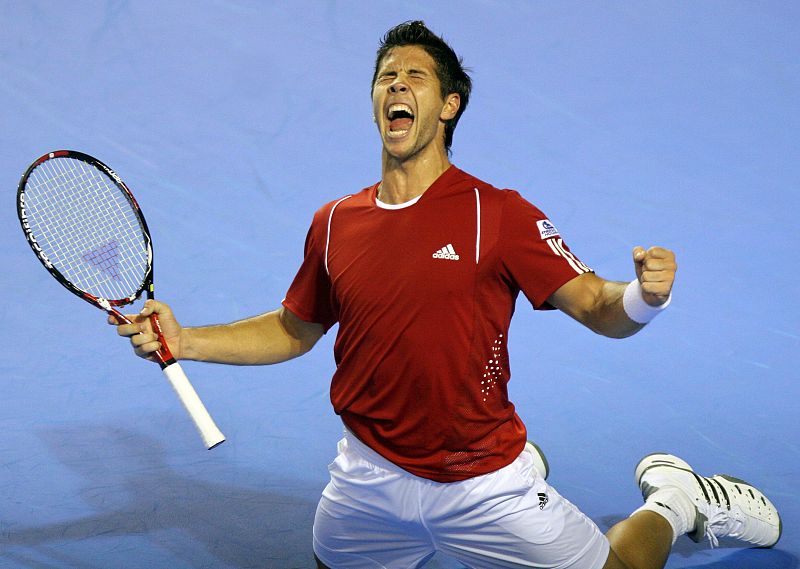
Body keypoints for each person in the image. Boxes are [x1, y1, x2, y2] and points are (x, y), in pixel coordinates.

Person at [113, 20, 781, 569]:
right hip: (368, 481)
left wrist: (641, 297)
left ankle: (675, 501)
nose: (396, 85)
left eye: (415, 76)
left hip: (481, 483)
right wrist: (186, 339)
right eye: (386, 77)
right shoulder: (335, 222)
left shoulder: (498, 214)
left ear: (448, 105)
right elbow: (294, 328)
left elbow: (595, 306)